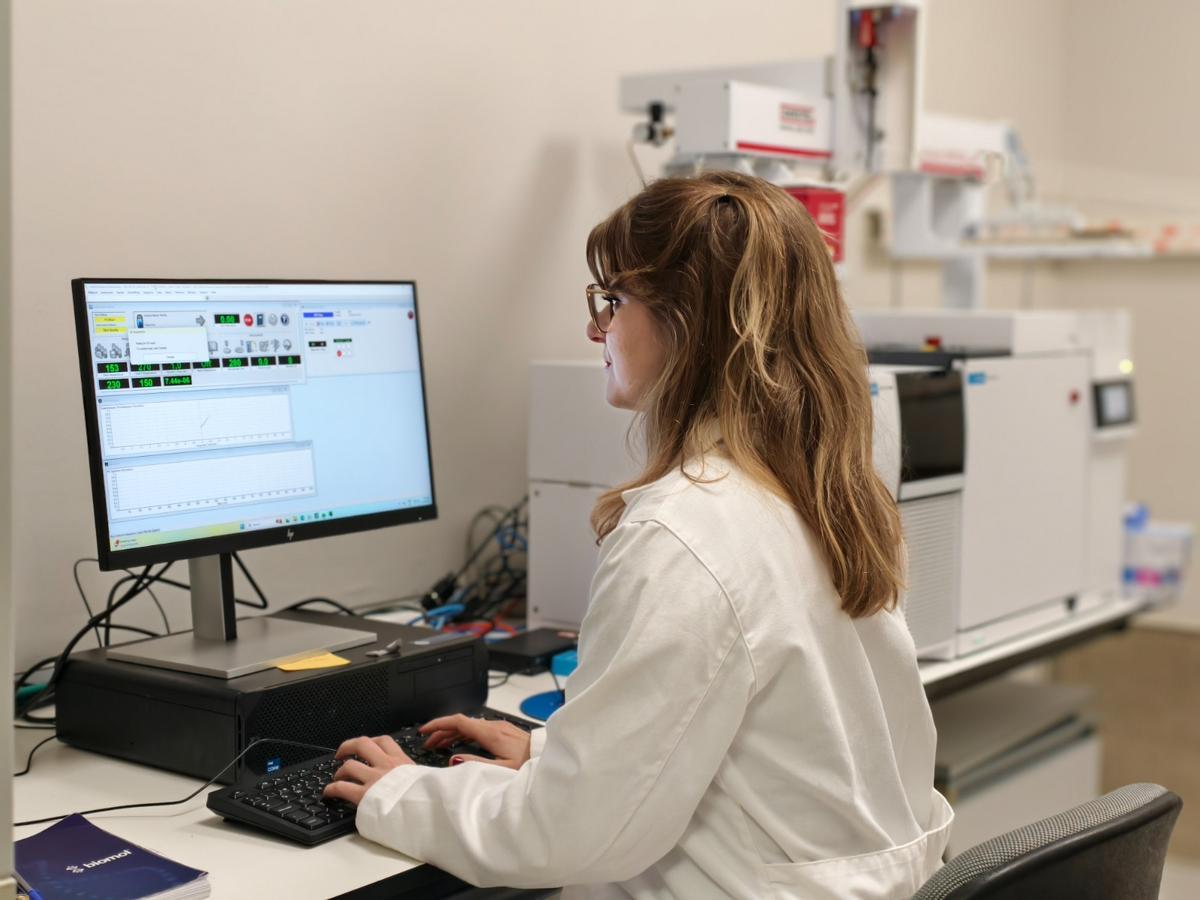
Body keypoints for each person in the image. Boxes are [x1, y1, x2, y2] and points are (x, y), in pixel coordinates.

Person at [325, 171, 953, 898]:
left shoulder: (686, 534)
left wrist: (401, 794)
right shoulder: (828, 493)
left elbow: (565, 839)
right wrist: (549, 751)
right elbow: (779, 737)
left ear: (688, 322)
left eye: (613, 302)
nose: (597, 329)